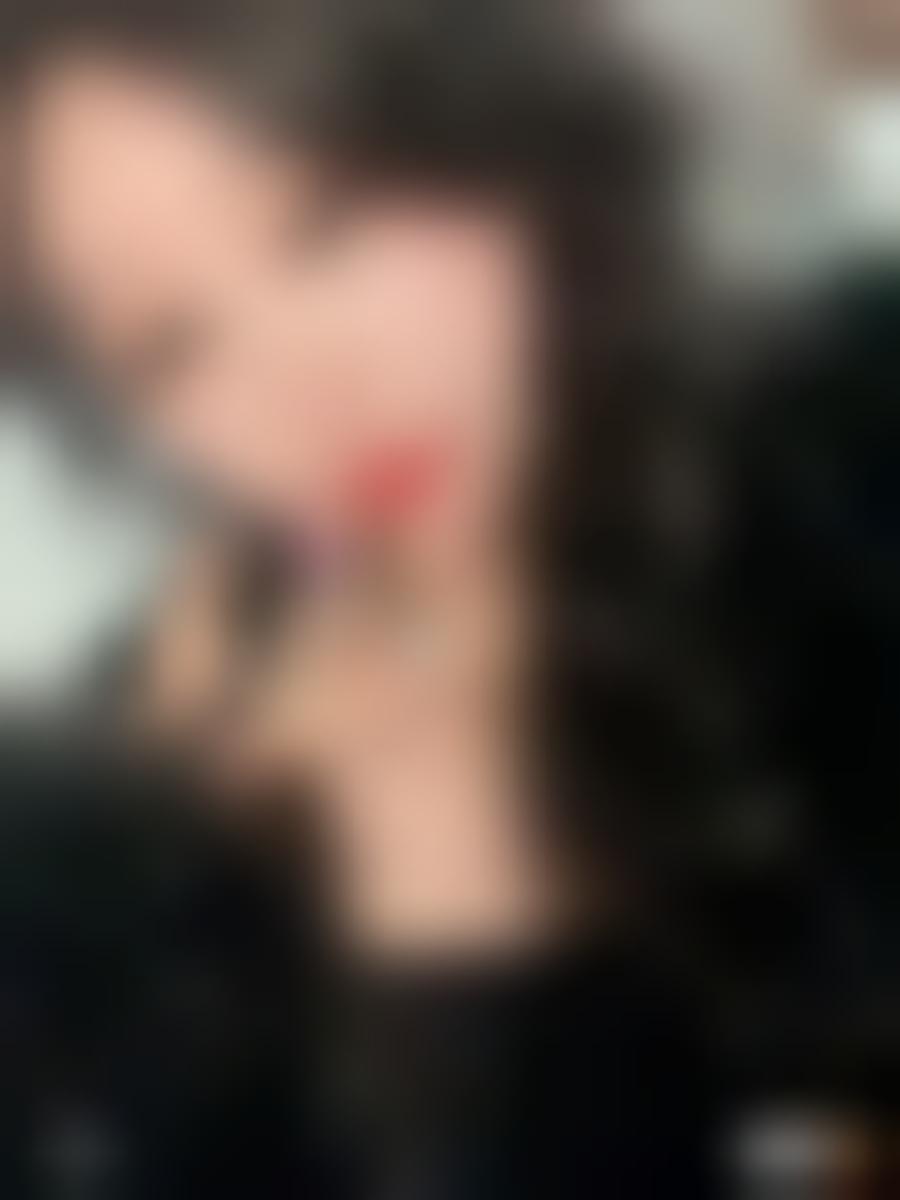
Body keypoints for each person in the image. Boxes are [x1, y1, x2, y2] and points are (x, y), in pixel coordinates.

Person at [5, 1, 718, 1194]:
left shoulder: (831, 454)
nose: (310, 381)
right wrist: (428, 812)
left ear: (496, 130)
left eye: (325, 220)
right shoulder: (132, 830)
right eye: (173, 345)